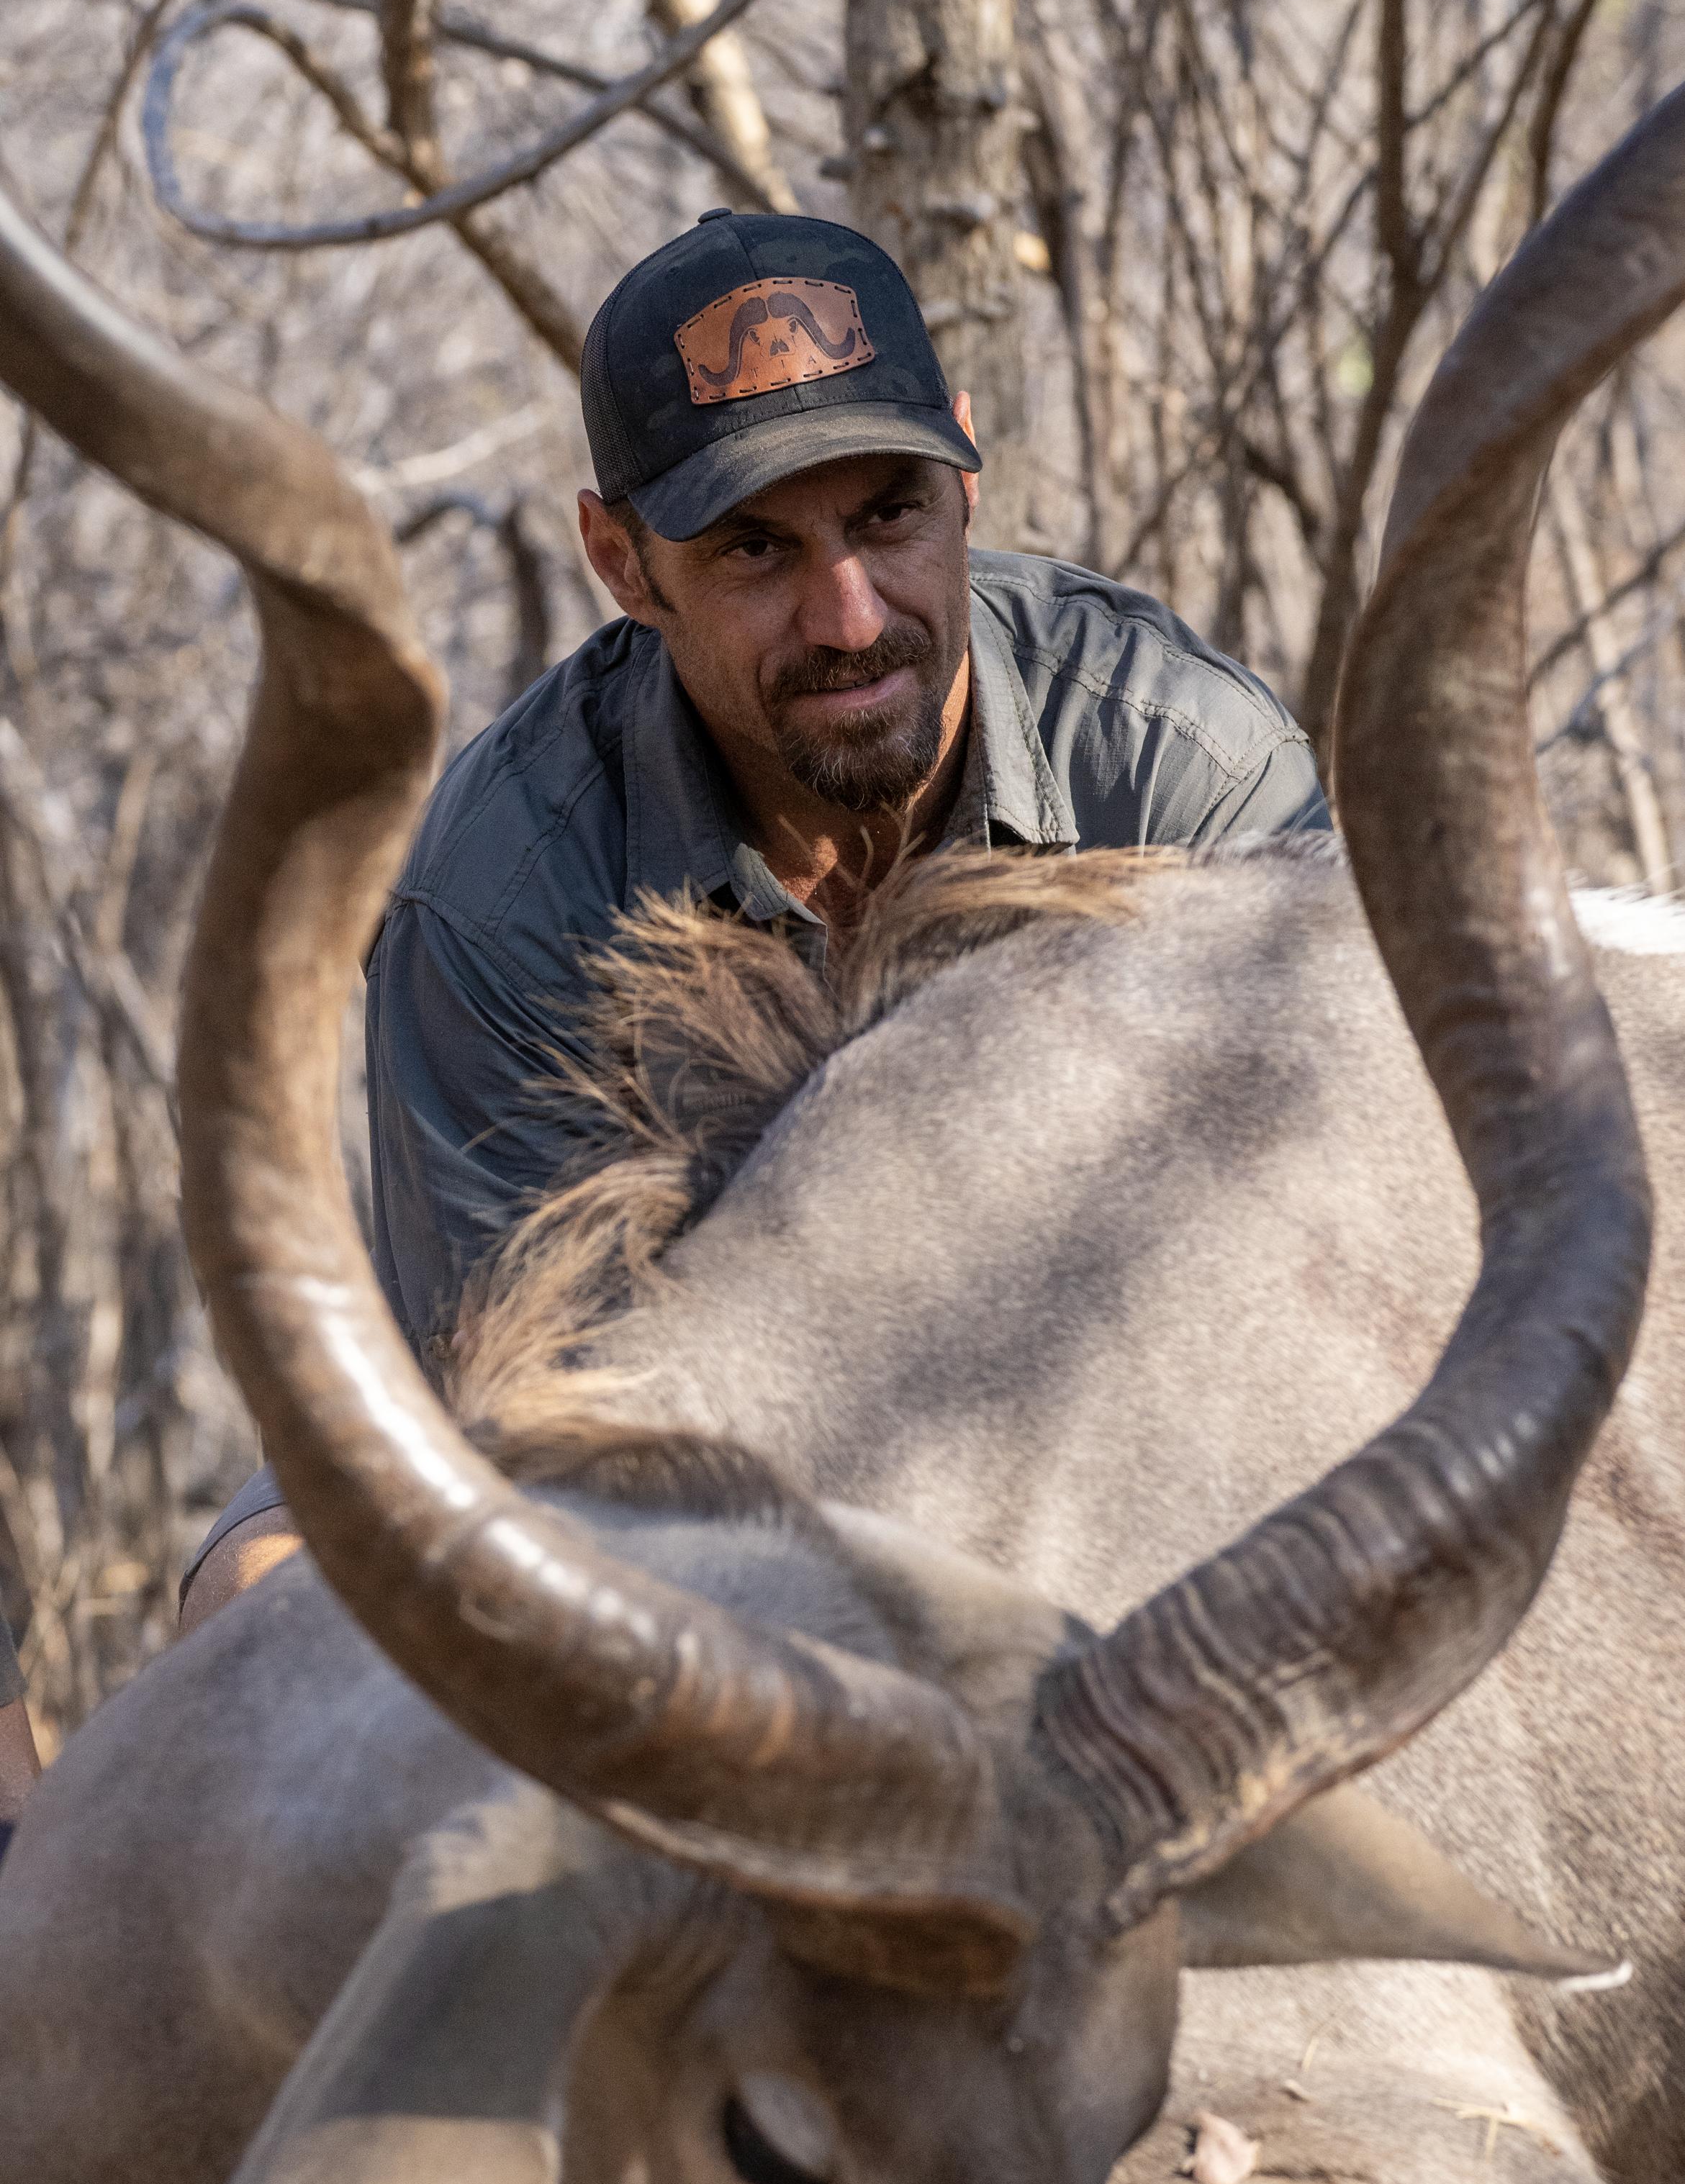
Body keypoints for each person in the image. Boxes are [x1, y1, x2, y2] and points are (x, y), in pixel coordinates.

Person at [181, 208, 1329, 1626]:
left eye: (888, 513)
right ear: (622, 564)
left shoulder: (1183, 768)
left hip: (1122, 1412)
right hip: (693, 1476)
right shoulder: (494, 896)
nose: (850, 615)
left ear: (965, 476)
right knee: (260, 1597)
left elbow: (1306, 1274)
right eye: (754, 550)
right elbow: (544, 1459)